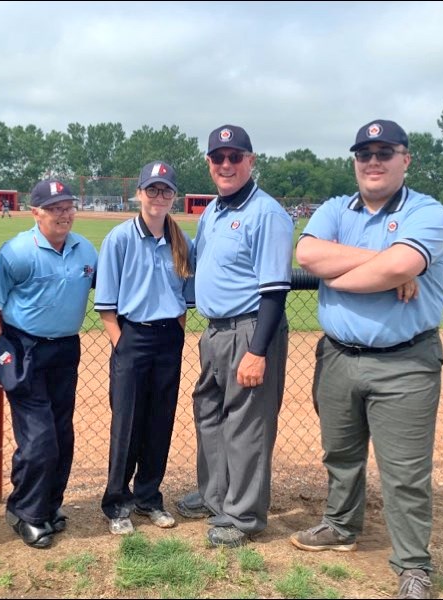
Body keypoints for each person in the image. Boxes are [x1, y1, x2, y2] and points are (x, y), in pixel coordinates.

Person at [291, 119, 443, 600]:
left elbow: (400, 265)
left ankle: (413, 566)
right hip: (339, 356)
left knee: (404, 472)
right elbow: (306, 254)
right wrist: (379, 263)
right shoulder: (338, 207)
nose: (373, 162)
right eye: (365, 154)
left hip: (406, 363)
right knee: (341, 454)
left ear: (406, 159)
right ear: (355, 161)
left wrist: (348, 273)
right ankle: (340, 526)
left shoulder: (427, 210)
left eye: (385, 152)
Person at [175, 125, 293, 548]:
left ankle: (243, 516)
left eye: (235, 156)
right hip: (216, 331)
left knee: (246, 425)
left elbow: (275, 290)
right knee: (209, 412)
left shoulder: (267, 213)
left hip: (250, 329)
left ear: (250, 160)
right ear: (209, 163)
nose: (226, 164)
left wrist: (258, 350)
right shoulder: (213, 211)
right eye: (218, 157)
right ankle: (215, 496)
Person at [0, 179, 97, 549]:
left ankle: (48, 506)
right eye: (54, 208)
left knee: (61, 434)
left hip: (65, 348)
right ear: (36, 213)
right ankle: (24, 512)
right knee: (39, 438)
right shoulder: (17, 252)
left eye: (68, 206)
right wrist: (3, 351)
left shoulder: (86, 251)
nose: (64, 214)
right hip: (24, 347)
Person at [94, 161, 195, 535]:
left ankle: (149, 497)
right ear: (139, 193)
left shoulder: (183, 241)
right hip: (131, 336)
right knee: (128, 423)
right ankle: (117, 502)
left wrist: (175, 334)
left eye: (166, 190)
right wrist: (123, 347)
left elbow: (186, 300)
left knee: (159, 421)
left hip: (169, 337)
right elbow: (106, 307)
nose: (159, 197)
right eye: (152, 189)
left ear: (174, 197)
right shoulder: (119, 239)